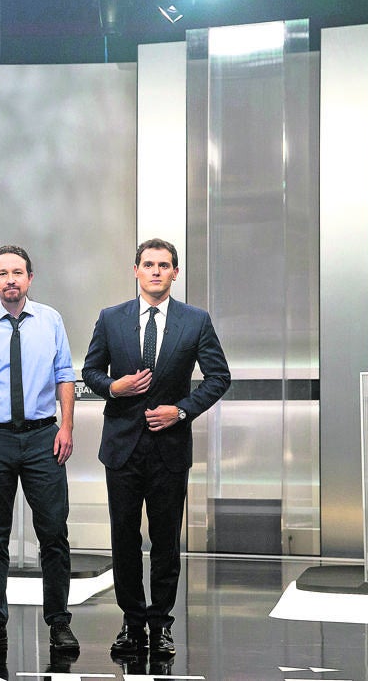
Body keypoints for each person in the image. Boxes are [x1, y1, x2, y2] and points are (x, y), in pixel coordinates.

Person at [82, 238, 230, 660]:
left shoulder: (195, 321)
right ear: (136, 271)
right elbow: (90, 371)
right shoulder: (111, 318)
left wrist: (180, 411)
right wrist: (115, 386)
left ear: (175, 273)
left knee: (165, 542)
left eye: (164, 265)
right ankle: (132, 623)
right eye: (148, 264)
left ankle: (161, 624)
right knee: (124, 538)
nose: (155, 271)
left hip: (169, 447)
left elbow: (219, 377)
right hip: (122, 448)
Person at [0, 245, 79, 652]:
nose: (11, 280)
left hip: (44, 438)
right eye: (3, 273)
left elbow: (64, 374)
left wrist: (66, 427)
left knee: (54, 534)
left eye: (18, 272)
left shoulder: (51, 320)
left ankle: (59, 623)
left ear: (30, 278)